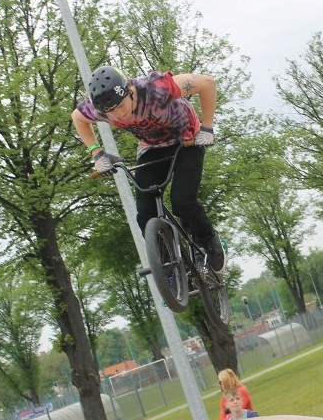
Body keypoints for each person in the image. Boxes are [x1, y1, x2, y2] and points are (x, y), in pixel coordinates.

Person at [72, 66, 225, 273]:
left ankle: (209, 240)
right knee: (145, 213)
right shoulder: (99, 109)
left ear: (129, 90)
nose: (119, 114)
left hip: (187, 140)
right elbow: (78, 117)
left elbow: (207, 83)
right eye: (111, 112)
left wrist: (207, 128)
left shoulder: (156, 88)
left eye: (120, 105)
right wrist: (97, 153)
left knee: (183, 202)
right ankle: (167, 265)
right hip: (153, 147)